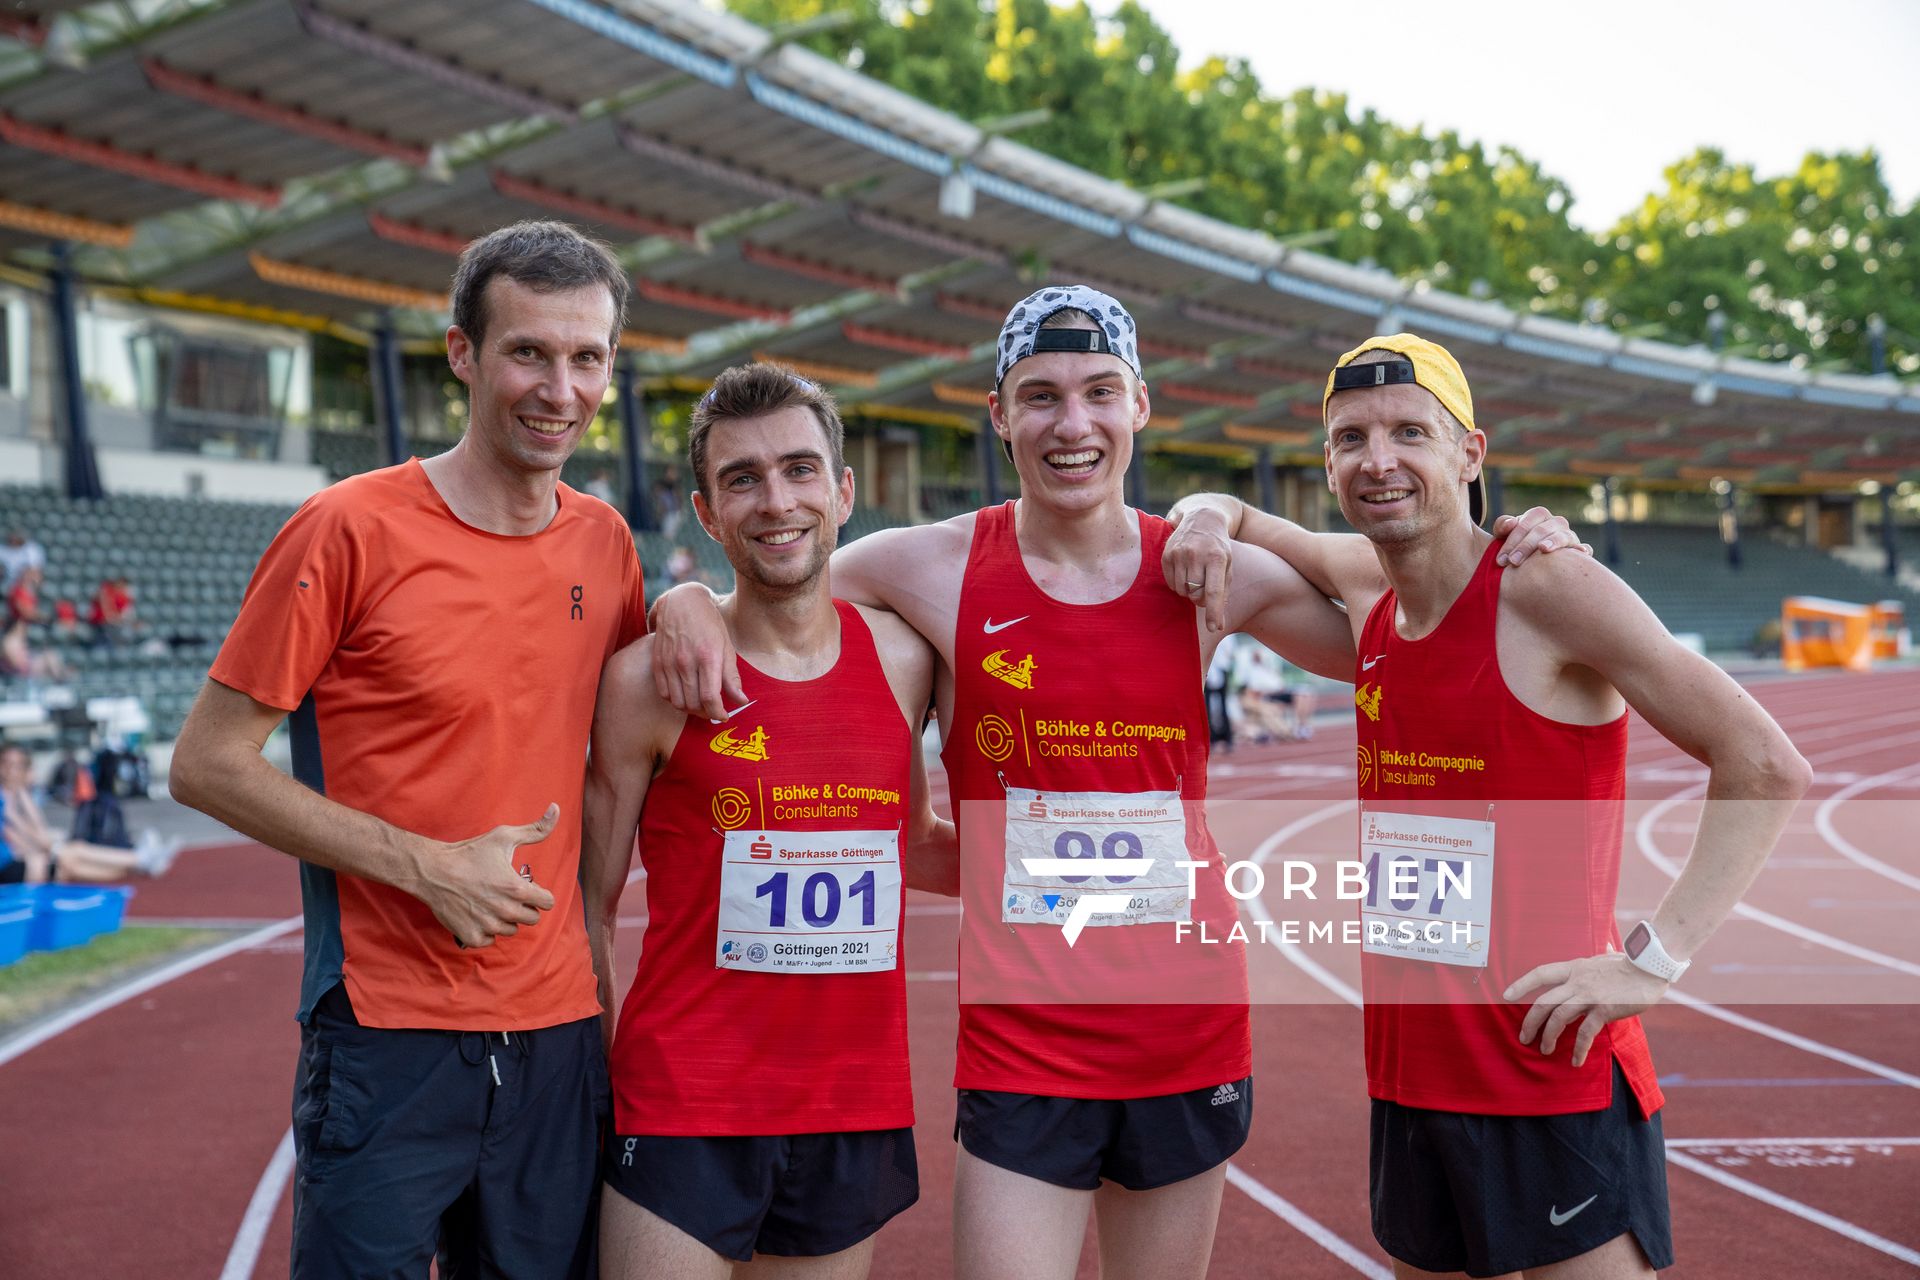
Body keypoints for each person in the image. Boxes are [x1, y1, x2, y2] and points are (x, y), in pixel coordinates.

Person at [650, 288, 1581, 1279]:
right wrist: (682, 602)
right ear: (1000, 416)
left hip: (1187, 1029)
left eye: (1100, 392)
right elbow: (772, 577)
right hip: (1023, 1042)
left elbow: (1410, 590)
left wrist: (1514, 542)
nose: (1073, 423)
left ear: (1140, 405)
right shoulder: (928, 565)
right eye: (1040, 396)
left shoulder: (1203, 574)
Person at [1165, 333, 1811, 1279]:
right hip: (1413, 1084)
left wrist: (1657, 957)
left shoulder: (1545, 585)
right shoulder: (1365, 595)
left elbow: (1764, 762)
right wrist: (1202, 516)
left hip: (1553, 1083)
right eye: (1350, 439)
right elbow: (1234, 513)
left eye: (1409, 432)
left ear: (1471, 453)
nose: (1377, 459)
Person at [169, 219, 645, 1280]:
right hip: (386, 1032)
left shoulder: (606, 545)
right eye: (528, 351)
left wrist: (697, 600)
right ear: (463, 353)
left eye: (587, 357)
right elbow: (205, 761)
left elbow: (638, 730)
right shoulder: (346, 528)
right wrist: (425, 865)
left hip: (560, 1030)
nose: (559, 388)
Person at [583, 362, 959, 1277]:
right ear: (707, 514)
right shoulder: (650, 681)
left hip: (850, 1106)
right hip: (682, 1105)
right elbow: (585, 907)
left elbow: (912, 844)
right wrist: (594, 1089)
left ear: (843, 491)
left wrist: (1114, 865)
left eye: (797, 470)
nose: (774, 501)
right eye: (740, 479)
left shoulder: (905, 660)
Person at [0, 743, 178, 883]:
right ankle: (140, 859)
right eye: (7, 765)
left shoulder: (19, 794)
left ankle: (140, 864)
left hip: (24, 858)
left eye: (18, 766)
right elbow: (18, 835)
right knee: (71, 856)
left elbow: (37, 826)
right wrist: (41, 848)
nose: (12, 771)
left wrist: (21, 792)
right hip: (15, 862)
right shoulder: (4, 798)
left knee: (70, 860)